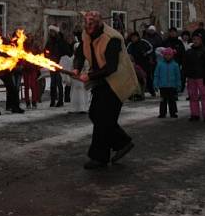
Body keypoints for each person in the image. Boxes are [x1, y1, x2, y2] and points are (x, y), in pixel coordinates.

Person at [72, 11, 137, 169]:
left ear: (99, 24)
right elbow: (81, 53)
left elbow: (111, 67)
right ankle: (122, 142)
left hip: (118, 81)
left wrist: (90, 75)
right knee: (96, 114)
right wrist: (76, 68)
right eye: (87, 27)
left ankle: (99, 158)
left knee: (103, 119)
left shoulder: (112, 38)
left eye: (92, 27)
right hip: (101, 81)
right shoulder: (87, 34)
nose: (89, 30)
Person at [0, 23, 24, 115]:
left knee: (11, 88)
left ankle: (15, 107)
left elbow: (10, 51)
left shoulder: (4, 40)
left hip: (4, 68)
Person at [184, 33, 205, 122]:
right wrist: (186, 73)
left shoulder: (204, 52)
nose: (195, 41)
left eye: (197, 39)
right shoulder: (189, 51)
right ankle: (195, 113)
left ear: (201, 40)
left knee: (204, 95)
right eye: (194, 39)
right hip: (191, 77)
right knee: (192, 96)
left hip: (201, 77)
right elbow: (185, 64)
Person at [154, 47, 181, 118]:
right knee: (163, 100)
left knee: (172, 100)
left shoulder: (175, 65)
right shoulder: (160, 64)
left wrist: (178, 85)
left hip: (172, 86)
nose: (168, 56)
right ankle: (162, 113)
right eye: (166, 55)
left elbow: (178, 76)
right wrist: (155, 84)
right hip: (163, 86)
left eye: (169, 55)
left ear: (172, 55)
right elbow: (156, 75)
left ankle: (173, 112)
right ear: (163, 55)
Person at [45, 25, 67, 107]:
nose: (51, 33)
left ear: (55, 32)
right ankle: (53, 100)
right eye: (50, 31)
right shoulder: (49, 42)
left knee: (59, 83)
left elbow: (65, 51)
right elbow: (46, 50)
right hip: (51, 64)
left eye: (52, 31)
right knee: (52, 84)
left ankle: (60, 100)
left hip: (59, 64)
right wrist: (47, 55)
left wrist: (61, 60)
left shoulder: (60, 41)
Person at [23, 35, 42, 109]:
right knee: (26, 86)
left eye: (30, 37)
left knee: (33, 85)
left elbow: (39, 55)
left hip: (33, 68)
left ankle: (34, 101)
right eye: (28, 37)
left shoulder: (35, 46)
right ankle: (27, 102)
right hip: (25, 68)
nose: (29, 38)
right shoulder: (23, 46)